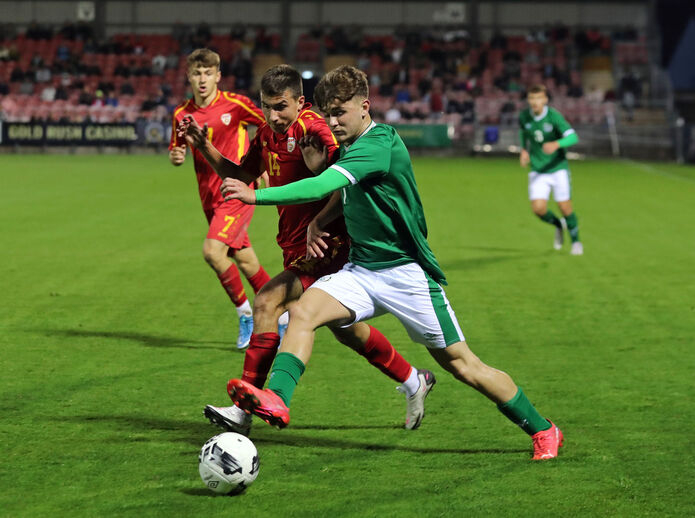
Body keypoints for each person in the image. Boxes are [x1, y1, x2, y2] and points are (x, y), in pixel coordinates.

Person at [221, 66, 564, 460]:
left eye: (340, 113)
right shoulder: (346, 146)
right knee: (303, 313)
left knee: (464, 366)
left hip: (405, 274)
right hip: (362, 270)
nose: (332, 122)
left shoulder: (378, 143)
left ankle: (543, 428)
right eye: (327, 114)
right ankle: (276, 399)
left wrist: (254, 197)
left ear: (364, 107)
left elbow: (321, 185)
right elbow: (334, 191)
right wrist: (318, 221)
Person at [182, 64, 435, 436]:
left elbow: (346, 179)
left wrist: (321, 188)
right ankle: (414, 378)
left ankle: (246, 409)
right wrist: (203, 146)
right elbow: (240, 176)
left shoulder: (316, 128)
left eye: (281, 106)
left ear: (300, 101)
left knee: (268, 301)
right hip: (295, 243)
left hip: (328, 244)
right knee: (345, 327)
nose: (272, 115)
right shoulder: (268, 133)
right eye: (266, 106)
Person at [168, 48, 272, 349]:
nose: (202, 79)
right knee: (245, 259)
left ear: (218, 76)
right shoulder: (181, 114)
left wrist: (260, 162)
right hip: (209, 198)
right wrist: (176, 156)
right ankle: (283, 311)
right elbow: (178, 150)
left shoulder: (235, 105)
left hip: (236, 190)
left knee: (214, 252)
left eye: (208, 73)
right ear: (189, 77)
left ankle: (246, 315)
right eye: (197, 73)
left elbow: (268, 125)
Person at [519, 84, 583, 255]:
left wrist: (557, 143)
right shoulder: (524, 116)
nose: (535, 102)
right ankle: (558, 224)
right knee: (538, 209)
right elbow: (524, 134)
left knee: (565, 207)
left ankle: (576, 242)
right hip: (538, 169)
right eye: (532, 98)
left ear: (545, 99)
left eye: (539, 98)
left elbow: (573, 137)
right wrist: (524, 150)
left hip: (558, 168)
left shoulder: (554, 117)